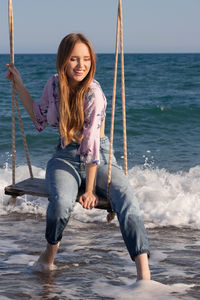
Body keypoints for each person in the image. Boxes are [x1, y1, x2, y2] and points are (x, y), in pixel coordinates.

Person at [6, 33, 151, 280]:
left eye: (85, 59)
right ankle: (49, 256)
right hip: (65, 156)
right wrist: (18, 83)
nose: (80, 65)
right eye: (74, 59)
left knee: (126, 197)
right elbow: (40, 119)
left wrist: (91, 190)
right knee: (61, 202)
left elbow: (92, 144)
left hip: (100, 158)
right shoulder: (53, 85)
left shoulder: (94, 93)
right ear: (63, 61)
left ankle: (144, 274)